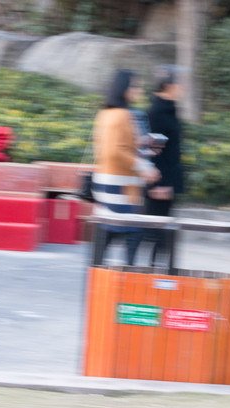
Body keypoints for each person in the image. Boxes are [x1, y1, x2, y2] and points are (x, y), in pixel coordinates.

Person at [92, 69, 161, 265]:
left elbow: (116, 146)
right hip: (119, 185)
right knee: (132, 233)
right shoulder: (122, 115)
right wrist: (144, 167)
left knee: (110, 234)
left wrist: (141, 146)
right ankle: (128, 280)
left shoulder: (106, 113)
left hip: (107, 181)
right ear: (123, 88)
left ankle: (100, 277)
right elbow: (115, 151)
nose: (139, 89)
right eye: (135, 85)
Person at [142, 64, 185, 267]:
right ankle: (148, 278)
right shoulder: (158, 112)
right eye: (179, 82)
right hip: (160, 183)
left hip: (168, 181)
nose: (182, 86)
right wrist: (157, 185)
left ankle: (156, 276)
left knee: (161, 236)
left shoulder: (169, 109)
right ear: (168, 84)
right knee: (155, 235)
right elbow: (152, 152)